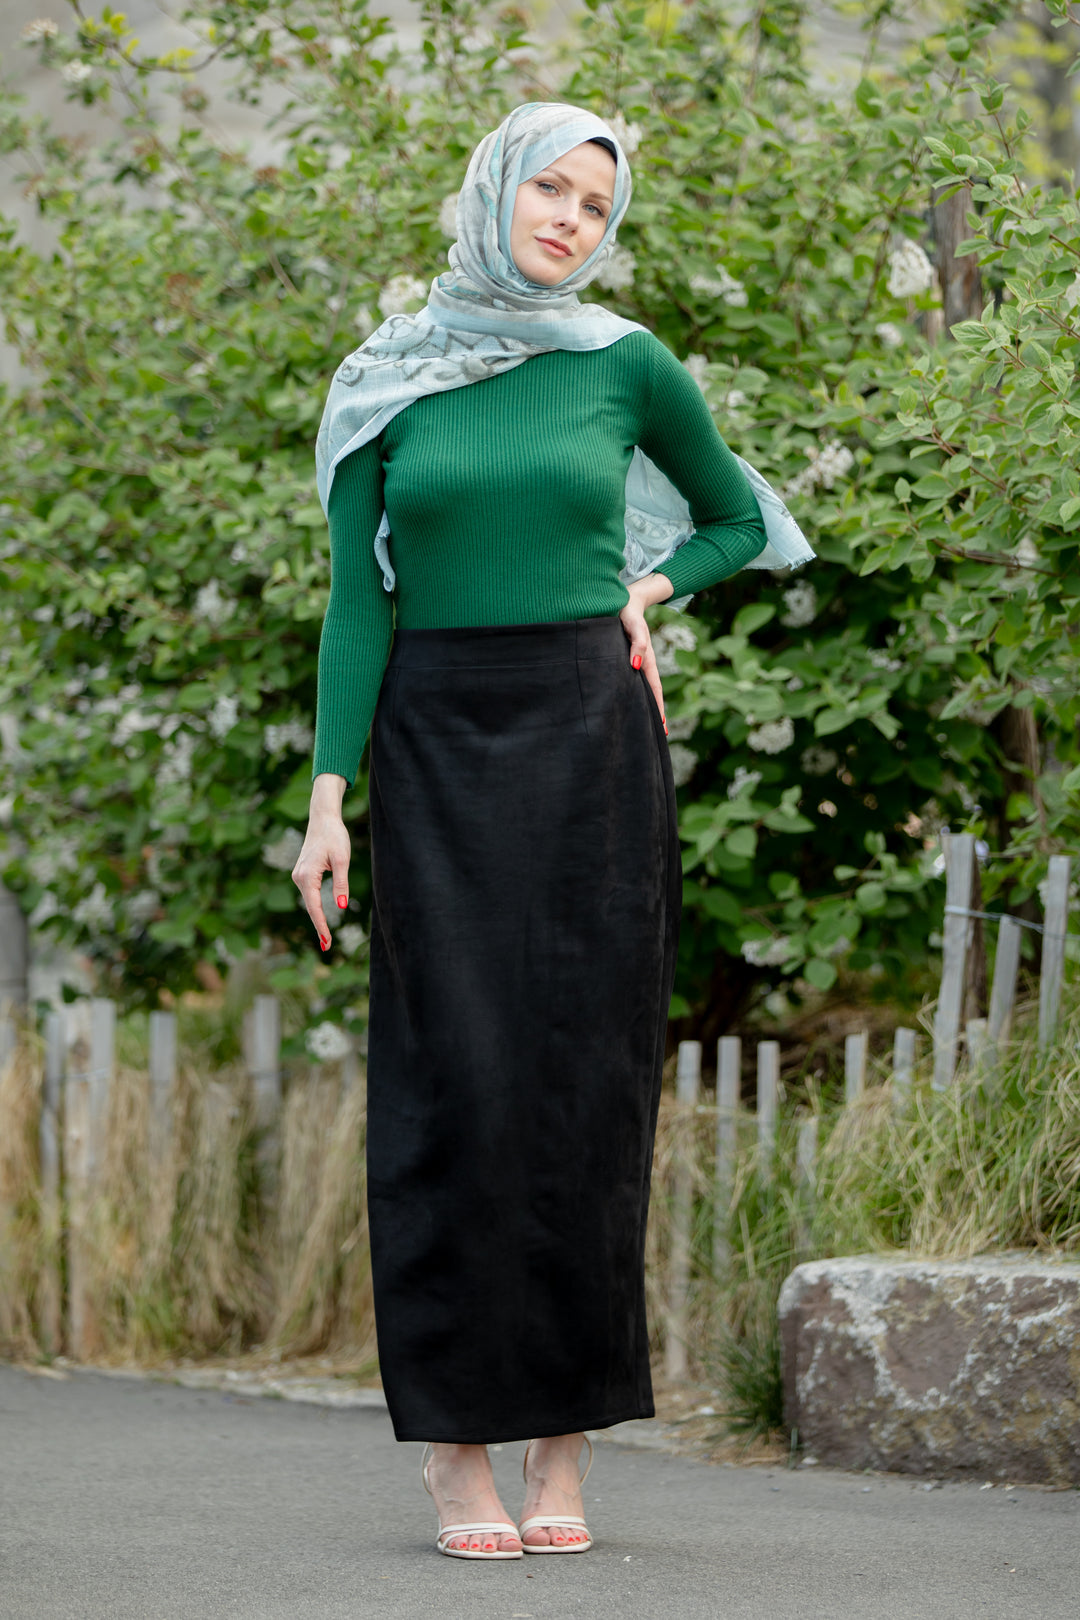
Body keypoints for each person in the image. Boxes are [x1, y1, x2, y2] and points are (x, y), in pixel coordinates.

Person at [292, 102, 804, 1562]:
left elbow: (731, 519)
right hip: (435, 745)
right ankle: (458, 1456)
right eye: (551, 190)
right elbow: (356, 602)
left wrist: (648, 594)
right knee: (451, 1087)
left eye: (596, 201)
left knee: (584, 1089)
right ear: (495, 190)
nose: (572, 219)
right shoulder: (387, 381)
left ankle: (562, 1447)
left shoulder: (624, 363)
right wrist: (328, 803)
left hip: (591, 735)